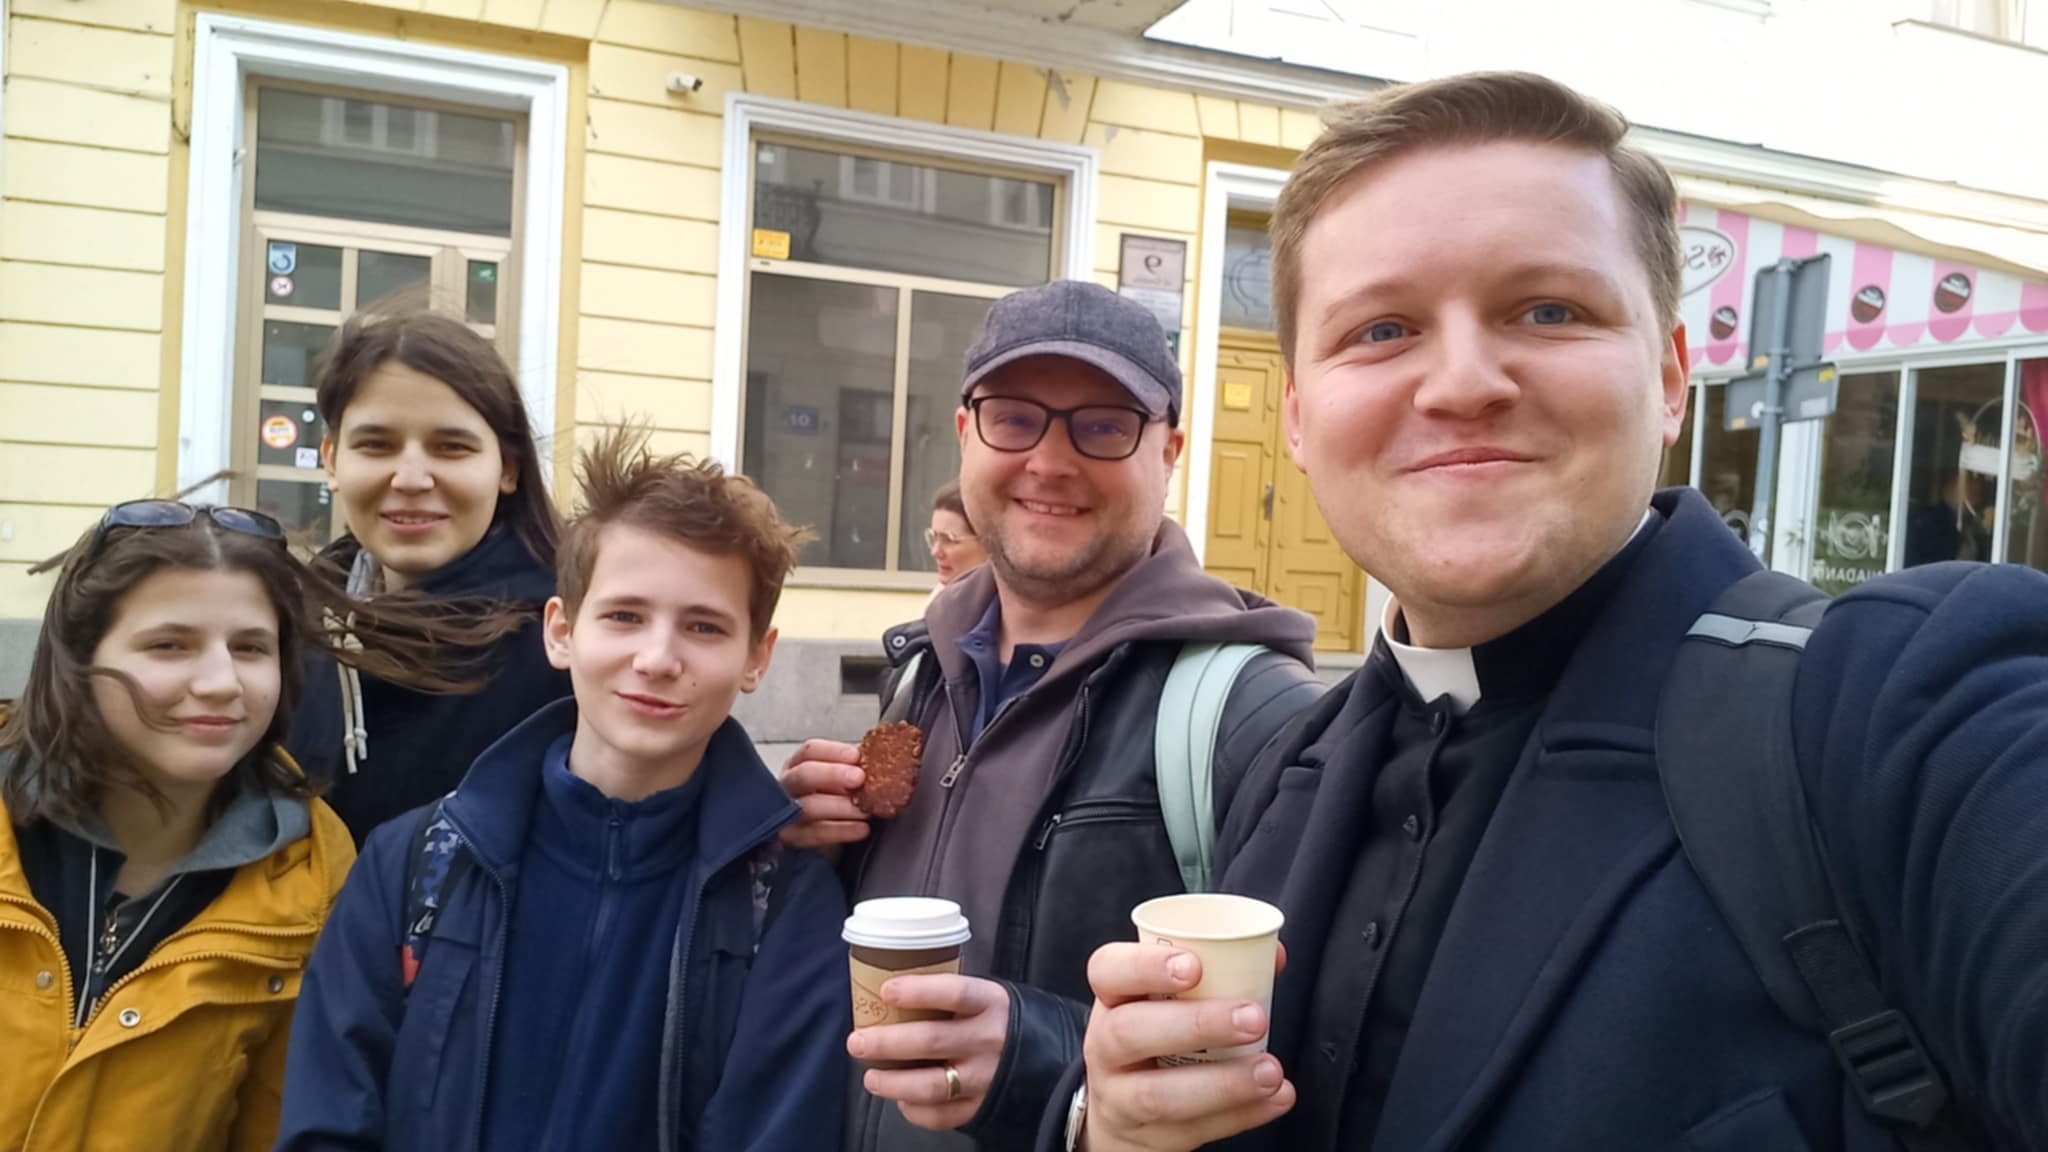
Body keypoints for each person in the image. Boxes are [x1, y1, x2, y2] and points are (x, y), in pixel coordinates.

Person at [1060, 71, 2048, 1152]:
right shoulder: (1285, 770)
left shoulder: (1900, 708)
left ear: (1668, 378)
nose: (1461, 384)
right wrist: (1114, 1127)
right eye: (1381, 330)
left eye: (1548, 311)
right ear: (1296, 418)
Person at [780, 280, 1325, 1152]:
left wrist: (1045, 1072)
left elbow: (1301, 1062)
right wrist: (812, 857)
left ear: (1169, 452)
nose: (1050, 461)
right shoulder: (921, 674)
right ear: (967, 433)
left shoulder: (1253, 719)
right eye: (1015, 418)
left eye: (1104, 426)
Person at [276, 429, 850, 1152]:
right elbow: (328, 1124)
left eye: (704, 626)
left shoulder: (785, 906)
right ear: (561, 631)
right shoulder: (412, 868)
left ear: (755, 658)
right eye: (624, 616)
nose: (657, 658)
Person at [0, 499, 499, 1151]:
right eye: (168, 645)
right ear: (79, 657)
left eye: (250, 648)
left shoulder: (312, 875)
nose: (220, 682)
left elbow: (280, 1125)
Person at [289, 308, 570, 844]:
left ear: (508, 468)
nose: (412, 478)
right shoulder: (287, 627)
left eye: (452, 447)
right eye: (376, 444)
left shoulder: (565, 654)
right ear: (331, 460)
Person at [927, 478, 990, 587]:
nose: (935, 552)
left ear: (988, 544)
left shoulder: (1008, 597)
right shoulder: (943, 594)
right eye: (934, 537)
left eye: (948, 540)